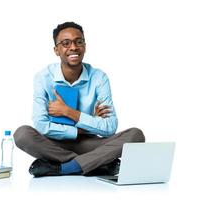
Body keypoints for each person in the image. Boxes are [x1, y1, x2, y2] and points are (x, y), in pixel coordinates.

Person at [14, 22, 145, 177]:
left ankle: (65, 167)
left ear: (85, 46)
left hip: (88, 144)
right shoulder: (43, 78)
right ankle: (95, 164)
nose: (73, 47)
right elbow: (42, 126)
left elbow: (110, 127)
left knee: (136, 136)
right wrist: (88, 125)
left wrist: (69, 112)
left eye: (79, 41)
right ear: (57, 50)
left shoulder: (99, 77)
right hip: (52, 144)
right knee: (22, 134)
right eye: (65, 43)